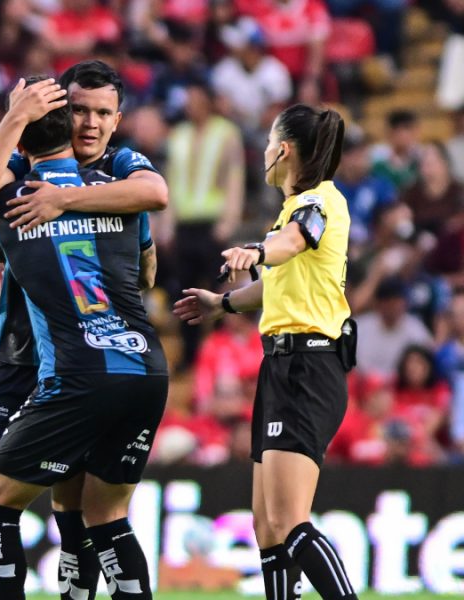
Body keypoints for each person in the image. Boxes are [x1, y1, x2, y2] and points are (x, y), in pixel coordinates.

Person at [0, 61, 167, 600]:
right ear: (62, 116)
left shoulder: (116, 171)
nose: (90, 123)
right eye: (80, 111)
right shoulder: (90, 186)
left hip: (75, 365)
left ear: (118, 119)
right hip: (29, 357)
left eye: (102, 113)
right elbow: (147, 266)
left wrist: (60, 201)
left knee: (57, 513)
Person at [174, 104, 358, 600]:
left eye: (267, 144)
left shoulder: (319, 203)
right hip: (281, 365)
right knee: (266, 527)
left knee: (289, 521)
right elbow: (276, 281)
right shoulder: (290, 209)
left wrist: (256, 250)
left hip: (308, 365)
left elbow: (293, 243)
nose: (262, 154)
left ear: (282, 149)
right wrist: (224, 304)